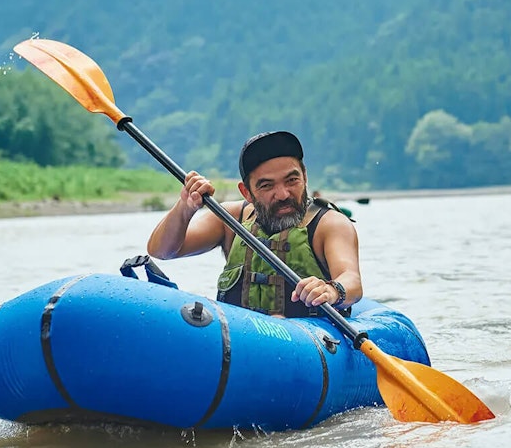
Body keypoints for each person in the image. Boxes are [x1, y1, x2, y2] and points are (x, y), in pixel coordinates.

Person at [147, 130, 361, 318]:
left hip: (306, 344)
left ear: (304, 176)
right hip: (243, 341)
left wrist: (332, 291)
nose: (283, 194)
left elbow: (351, 280)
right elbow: (162, 251)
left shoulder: (329, 224)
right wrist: (185, 208)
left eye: (291, 180)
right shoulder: (231, 219)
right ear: (246, 192)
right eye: (267, 186)